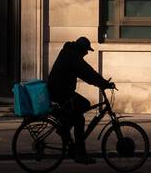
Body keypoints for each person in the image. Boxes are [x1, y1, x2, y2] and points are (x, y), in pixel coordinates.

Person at [46, 36, 114, 164]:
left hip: (60, 90)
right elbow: (88, 72)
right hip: (60, 92)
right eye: (86, 50)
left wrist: (100, 83)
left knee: (81, 108)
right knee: (80, 117)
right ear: (81, 48)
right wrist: (103, 83)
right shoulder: (73, 56)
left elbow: (85, 75)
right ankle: (80, 154)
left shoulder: (69, 53)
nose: (87, 53)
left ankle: (65, 128)